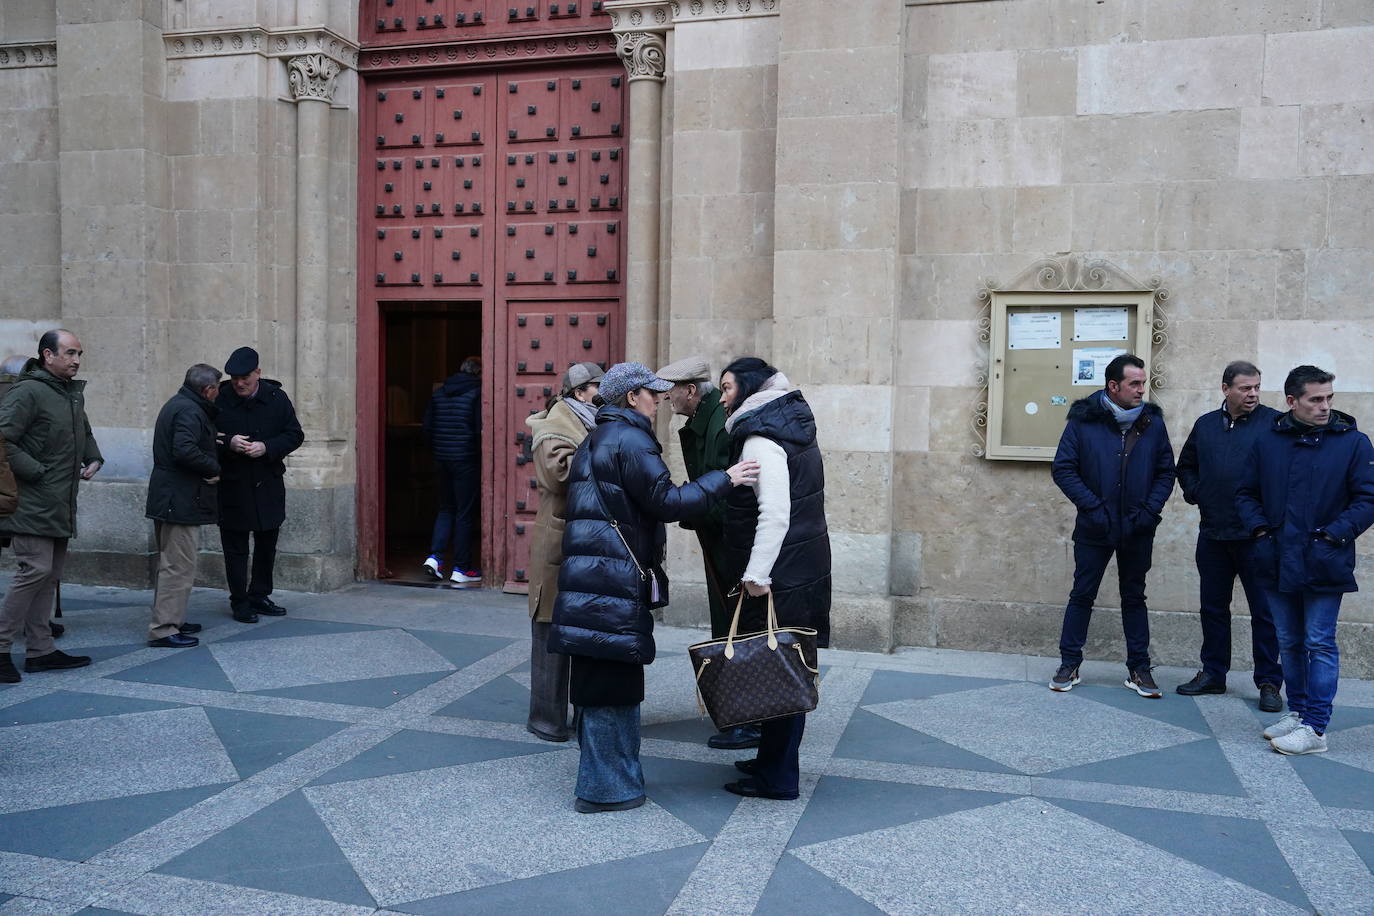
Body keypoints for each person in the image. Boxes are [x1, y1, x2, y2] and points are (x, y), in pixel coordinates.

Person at [550, 362, 757, 813]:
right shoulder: (630, 438)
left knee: (596, 681)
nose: (659, 399)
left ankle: (602, 782)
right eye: (652, 393)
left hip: (591, 579)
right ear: (631, 397)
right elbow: (666, 502)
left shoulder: (598, 436)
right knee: (614, 683)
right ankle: (609, 790)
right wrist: (726, 478)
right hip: (612, 583)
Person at [1237, 366, 1374, 755]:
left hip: (1324, 559)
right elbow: (1246, 493)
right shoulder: (1268, 442)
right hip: (1276, 558)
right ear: (1292, 401)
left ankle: (1315, 728)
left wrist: (1333, 535)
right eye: (1316, 399)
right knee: (1289, 641)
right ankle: (1298, 713)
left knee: (1319, 641)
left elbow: (1368, 498)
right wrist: (1261, 531)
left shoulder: (1353, 443)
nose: (1325, 406)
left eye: (1329, 397)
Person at [717, 357, 832, 801]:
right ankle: (769, 762)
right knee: (782, 665)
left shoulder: (761, 438)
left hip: (781, 573)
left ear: (747, 389)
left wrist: (756, 574)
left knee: (782, 673)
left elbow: (776, 512)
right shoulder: (789, 424)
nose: (722, 398)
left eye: (727, 389)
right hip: (801, 566)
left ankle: (778, 777)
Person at [1049, 353, 1176, 698]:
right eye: (1134, 384)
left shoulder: (1152, 423)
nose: (1140, 390)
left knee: (1134, 596)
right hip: (1095, 526)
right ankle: (1069, 663)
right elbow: (1063, 468)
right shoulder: (1083, 421)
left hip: (1137, 527)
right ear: (1113, 386)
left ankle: (1139, 669)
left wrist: (1149, 512)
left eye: (1143, 383)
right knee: (1082, 594)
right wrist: (1093, 507)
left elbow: (1166, 471)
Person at [657, 355, 759, 751]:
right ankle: (739, 714)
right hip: (718, 538)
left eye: (671, 392)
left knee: (736, 627)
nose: (667, 399)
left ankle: (747, 719)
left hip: (730, 542)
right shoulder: (702, 422)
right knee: (728, 624)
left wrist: (690, 507)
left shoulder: (716, 426)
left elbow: (726, 491)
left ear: (691, 390)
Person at [1175, 361, 1283, 711]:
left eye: (1256, 387)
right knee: (1213, 608)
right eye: (1244, 388)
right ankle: (1213, 674)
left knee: (1264, 612)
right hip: (1213, 534)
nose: (1252, 394)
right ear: (1226, 389)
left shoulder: (1274, 424)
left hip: (1257, 537)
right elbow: (1185, 465)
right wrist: (1197, 493)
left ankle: (1268, 681)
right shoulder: (1206, 425)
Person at [0, 330, 103, 682]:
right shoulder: (28, 391)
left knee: (50, 575)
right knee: (35, 571)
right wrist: (38, 472)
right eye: (69, 353)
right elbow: (2, 440)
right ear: (48, 355)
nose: (76, 360)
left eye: (79, 353)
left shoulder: (70, 393)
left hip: (60, 500)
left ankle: (41, 651)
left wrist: (93, 456)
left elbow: (83, 432)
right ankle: (1, 648)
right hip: (31, 501)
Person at [524, 361, 603, 742]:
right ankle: (546, 718)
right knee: (550, 634)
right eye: (597, 387)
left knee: (581, 632)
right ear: (579, 392)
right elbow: (560, 474)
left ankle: (583, 714)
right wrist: (606, 448)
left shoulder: (590, 420)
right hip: (558, 541)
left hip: (584, 542)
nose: (603, 394)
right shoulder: (553, 425)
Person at [215, 347, 304, 623]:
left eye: (245, 378)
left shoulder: (276, 398)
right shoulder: (219, 397)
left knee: (267, 545)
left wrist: (267, 447)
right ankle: (239, 600)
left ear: (258, 373)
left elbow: (294, 434)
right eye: (234, 378)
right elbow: (202, 434)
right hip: (233, 484)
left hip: (267, 483)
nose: (239, 383)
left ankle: (260, 594)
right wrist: (228, 442)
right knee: (235, 548)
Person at [145, 364, 223, 648]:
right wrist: (214, 467)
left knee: (173, 563)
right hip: (178, 498)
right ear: (208, 390)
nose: (218, 394)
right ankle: (164, 628)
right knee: (177, 565)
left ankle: (172, 617)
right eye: (217, 388)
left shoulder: (181, 404)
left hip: (172, 496)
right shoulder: (190, 410)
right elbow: (185, 450)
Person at [421, 357, 482, 583]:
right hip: (466, 460)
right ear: (478, 373)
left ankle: (435, 558)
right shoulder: (477, 393)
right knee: (464, 514)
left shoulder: (439, 393)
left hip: (442, 459)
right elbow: (478, 430)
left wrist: (435, 451)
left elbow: (427, 427)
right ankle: (461, 568)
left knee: (446, 508)